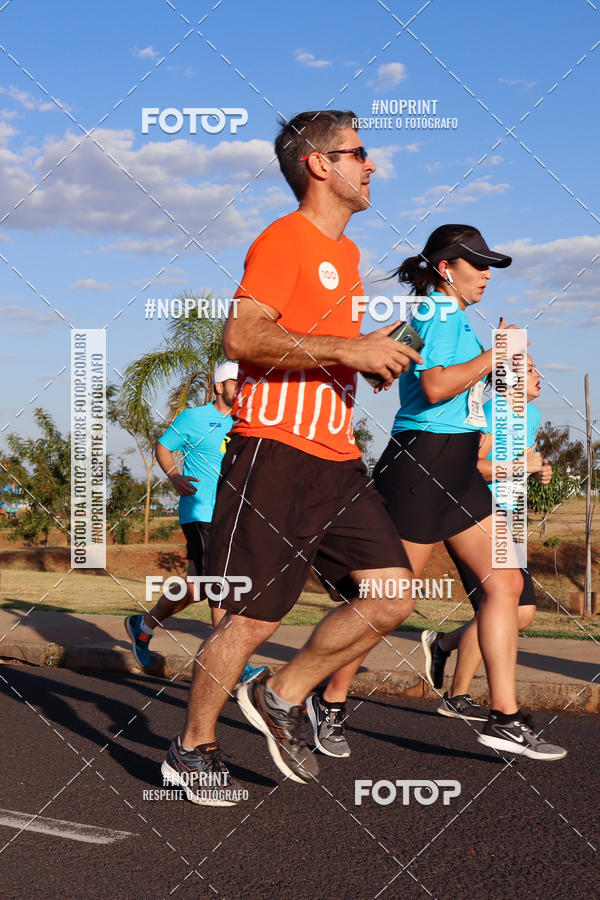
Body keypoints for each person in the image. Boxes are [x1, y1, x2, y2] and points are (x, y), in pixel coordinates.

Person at [161, 109, 423, 805]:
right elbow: (244, 338)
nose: (372, 165)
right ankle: (191, 749)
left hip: (335, 458)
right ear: (319, 164)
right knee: (251, 619)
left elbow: (310, 342)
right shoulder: (284, 239)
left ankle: (282, 694)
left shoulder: (347, 256)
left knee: (393, 595)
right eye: (359, 152)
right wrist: (348, 349)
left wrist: (369, 354)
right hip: (273, 452)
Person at [368, 224, 566, 760]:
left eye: (489, 266)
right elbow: (434, 387)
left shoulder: (438, 316)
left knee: (504, 586)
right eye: (476, 264)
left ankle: (504, 716)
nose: (486, 275)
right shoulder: (438, 312)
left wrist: (389, 358)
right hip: (421, 465)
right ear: (445, 268)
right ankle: (318, 696)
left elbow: (395, 364)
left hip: (456, 472)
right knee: (386, 602)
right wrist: (498, 353)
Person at [422, 354, 554, 720]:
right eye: (529, 370)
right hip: (473, 517)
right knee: (508, 609)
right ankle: (457, 693)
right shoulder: (492, 412)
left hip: (507, 520)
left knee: (518, 612)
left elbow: (523, 458)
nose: (539, 374)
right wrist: (519, 466)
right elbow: (469, 470)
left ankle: (444, 644)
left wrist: (540, 469)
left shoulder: (532, 417)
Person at [124, 361, 266, 686]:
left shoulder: (248, 421)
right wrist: (174, 477)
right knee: (219, 585)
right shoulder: (193, 418)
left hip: (234, 515)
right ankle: (231, 663)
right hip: (201, 511)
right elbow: (163, 447)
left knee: (196, 587)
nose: (242, 387)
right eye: (236, 382)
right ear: (219, 386)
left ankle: (142, 626)